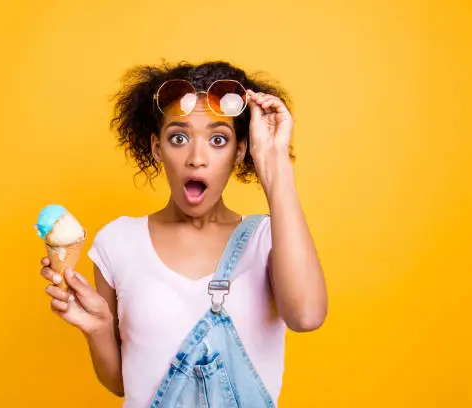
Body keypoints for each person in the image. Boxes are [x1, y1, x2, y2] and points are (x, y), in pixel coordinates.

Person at [40, 60, 328, 407]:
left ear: (240, 151)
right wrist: (98, 329)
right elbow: (120, 384)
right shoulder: (117, 243)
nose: (197, 158)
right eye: (179, 137)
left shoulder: (268, 239)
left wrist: (274, 159)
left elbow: (307, 317)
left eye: (218, 140)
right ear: (157, 147)